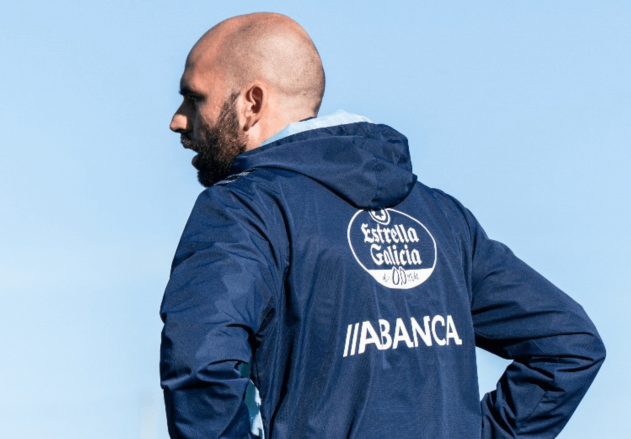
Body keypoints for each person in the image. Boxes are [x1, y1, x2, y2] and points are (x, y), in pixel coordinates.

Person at [160, 12, 605, 439]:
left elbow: (200, 366)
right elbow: (568, 346)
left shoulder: (243, 210)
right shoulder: (442, 218)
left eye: (194, 97)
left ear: (251, 103)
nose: (178, 120)